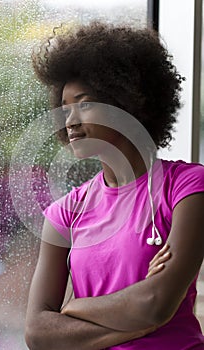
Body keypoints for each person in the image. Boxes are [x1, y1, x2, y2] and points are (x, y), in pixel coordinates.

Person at [25, 22, 204, 349]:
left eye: (85, 103)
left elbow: (155, 303)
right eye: (65, 109)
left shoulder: (187, 187)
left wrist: (74, 307)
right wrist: (137, 324)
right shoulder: (64, 213)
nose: (71, 121)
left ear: (126, 104)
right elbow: (38, 332)